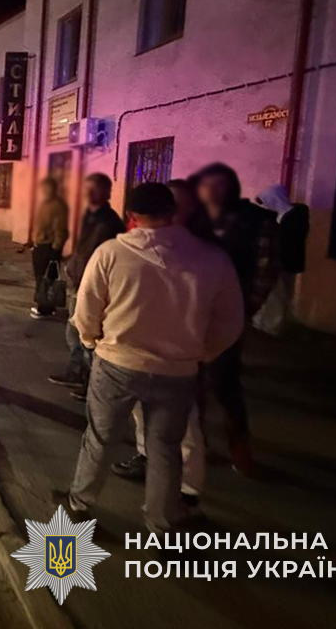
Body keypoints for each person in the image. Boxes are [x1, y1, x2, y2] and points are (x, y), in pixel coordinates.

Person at [63, 182, 243, 533]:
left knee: (100, 439)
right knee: (165, 449)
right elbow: (230, 320)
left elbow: (86, 310)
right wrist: (202, 352)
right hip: (178, 371)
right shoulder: (211, 259)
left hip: (117, 364)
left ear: (131, 215)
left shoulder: (111, 253)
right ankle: (161, 523)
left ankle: (79, 505)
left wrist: (90, 340)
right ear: (172, 211)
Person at [110, 179, 211, 506]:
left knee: (185, 426)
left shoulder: (201, 247)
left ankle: (187, 489)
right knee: (142, 414)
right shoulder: (139, 240)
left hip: (182, 353)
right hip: (140, 348)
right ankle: (145, 457)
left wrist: (208, 349)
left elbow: (224, 309)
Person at [192, 163, 278, 475]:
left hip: (231, 312)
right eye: (206, 186)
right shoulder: (196, 220)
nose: (212, 192)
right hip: (193, 312)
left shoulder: (256, 220)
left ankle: (240, 449)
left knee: (226, 381)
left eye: (219, 185)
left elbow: (267, 267)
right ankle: (196, 443)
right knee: (190, 380)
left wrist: (248, 307)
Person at [48, 173, 125, 397]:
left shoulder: (109, 221)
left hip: (91, 284)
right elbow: (83, 248)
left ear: (106, 192)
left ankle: (90, 383)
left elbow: (105, 256)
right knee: (74, 331)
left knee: (85, 333)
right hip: (78, 280)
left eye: (95, 189)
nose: (89, 193)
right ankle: (77, 373)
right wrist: (70, 262)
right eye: (87, 188)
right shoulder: (89, 216)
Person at [252, 184, 309, 336]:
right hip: (277, 261)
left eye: (268, 201)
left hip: (286, 262)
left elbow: (289, 241)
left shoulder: (294, 217)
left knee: (280, 294)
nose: (266, 205)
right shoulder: (280, 216)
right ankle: (264, 322)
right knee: (273, 293)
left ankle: (273, 326)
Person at [30, 177, 69, 318]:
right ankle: (47, 306)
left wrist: (56, 248)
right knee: (42, 277)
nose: (45, 190)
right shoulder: (45, 203)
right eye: (44, 188)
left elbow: (60, 228)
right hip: (40, 245)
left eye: (48, 188)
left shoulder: (57, 205)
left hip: (48, 247)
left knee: (46, 278)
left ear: (53, 189)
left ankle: (44, 309)